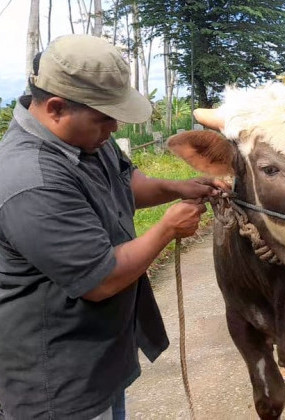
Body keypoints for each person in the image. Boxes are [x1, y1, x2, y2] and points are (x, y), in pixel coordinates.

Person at [0, 35, 223, 419]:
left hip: (100, 359)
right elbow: (99, 280)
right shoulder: (31, 180)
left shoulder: (86, 138)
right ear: (56, 108)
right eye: (105, 116)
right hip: (58, 382)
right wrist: (167, 229)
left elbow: (124, 182)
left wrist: (177, 187)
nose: (115, 125)